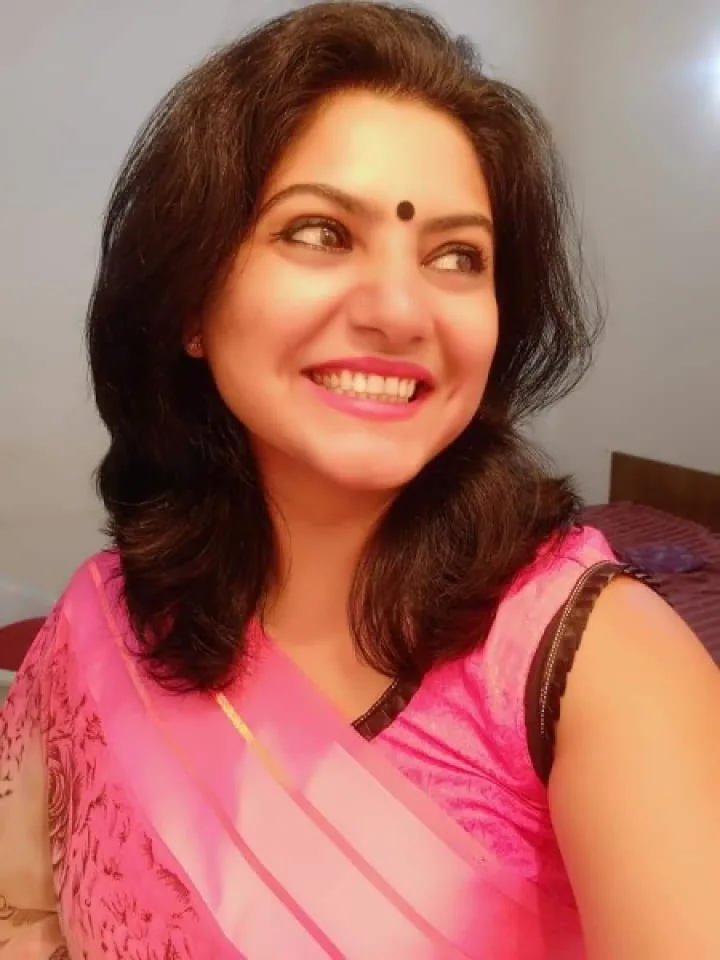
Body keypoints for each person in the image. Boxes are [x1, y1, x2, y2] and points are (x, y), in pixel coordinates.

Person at [1, 2, 719, 957]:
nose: (400, 311)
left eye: (457, 256)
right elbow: (24, 913)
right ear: (189, 303)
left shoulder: (599, 667)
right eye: (320, 233)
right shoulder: (103, 621)